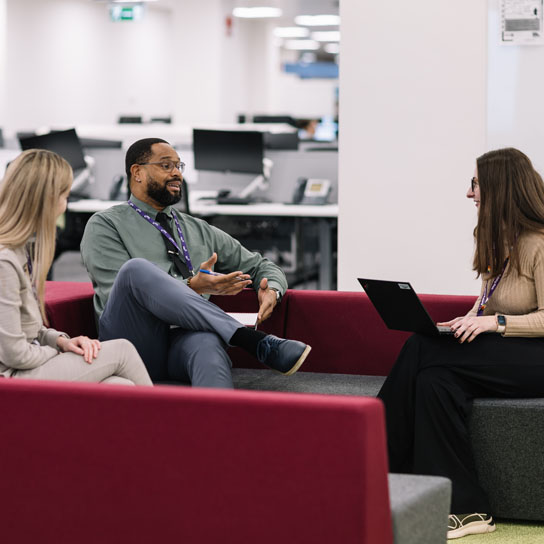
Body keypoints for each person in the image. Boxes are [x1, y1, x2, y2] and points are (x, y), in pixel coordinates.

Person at [377, 147, 544, 540]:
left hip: (538, 357)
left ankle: (370, 463)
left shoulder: (539, 242)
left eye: (475, 184)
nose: (469, 193)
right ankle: (466, 508)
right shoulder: (501, 238)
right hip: (514, 353)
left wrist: (494, 323)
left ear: (500, 188)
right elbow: (489, 300)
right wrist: (467, 320)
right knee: (433, 383)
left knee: (420, 349)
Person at [80, 138, 311, 388]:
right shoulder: (105, 225)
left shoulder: (198, 229)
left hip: (184, 337)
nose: (177, 173)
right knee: (135, 270)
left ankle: (219, 423)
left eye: (179, 165)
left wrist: (272, 290)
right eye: (166, 166)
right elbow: (122, 291)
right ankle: (251, 340)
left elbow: (261, 265)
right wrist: (192, 286)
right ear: (137, 172)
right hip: (133, 341)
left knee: (207, 345)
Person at [0, 149, 152, 386]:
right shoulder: (4, 262)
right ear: (45, 200)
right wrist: (60, 354)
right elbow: (14, 353)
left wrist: (61, 341)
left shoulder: (22, 251)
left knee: (120, 387)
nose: (65, 205)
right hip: (12, 378)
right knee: (122, 350)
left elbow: (26, 329)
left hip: (26, 366)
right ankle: (170, 423)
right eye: (64, 196)